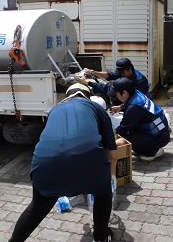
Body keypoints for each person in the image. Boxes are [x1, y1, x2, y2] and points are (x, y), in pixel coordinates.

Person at [9, 83, 117, 242]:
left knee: (37, 208)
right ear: (87, 96)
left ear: (67, 96)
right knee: (102, 193)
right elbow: (112, 154)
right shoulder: (96, 108)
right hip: (89, 160)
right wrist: (108, 178)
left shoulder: (54, 110)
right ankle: (101, 236)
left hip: (45, 163)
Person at [109, 77, 170, 162]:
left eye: (116, 94)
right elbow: (130, 103)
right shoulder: (136, 93)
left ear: (125, 93)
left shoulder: (133, 108)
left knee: (124, 137)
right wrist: (120, 107)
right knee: (131, 131)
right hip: (161, 132)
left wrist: (110, 140)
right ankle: (141, 148)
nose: (115, 96)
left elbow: (123, 129)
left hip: (159, 138)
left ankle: (153, 151)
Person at [86, 57, 152, 100]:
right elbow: (111, 75)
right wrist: (95, 73)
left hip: (142, 101)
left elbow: (135, 98)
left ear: (129, 69)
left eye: (123, 72)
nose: (121, 74)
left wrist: (121, 107)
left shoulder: (140, 80)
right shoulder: (123, 73)